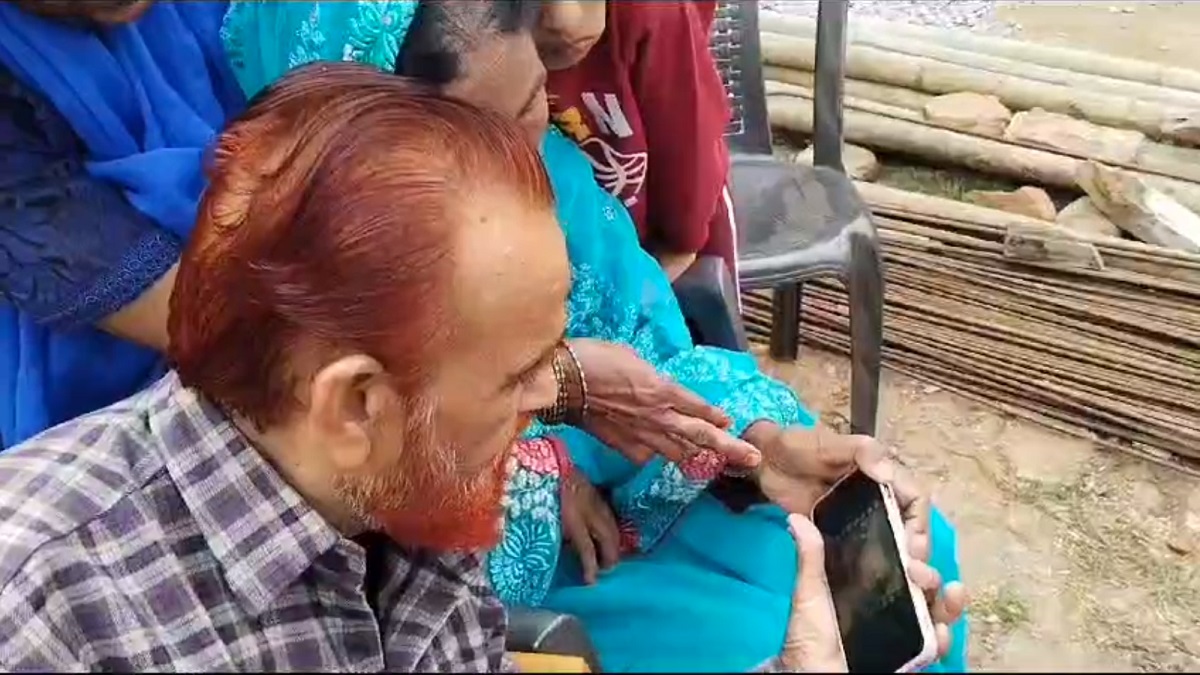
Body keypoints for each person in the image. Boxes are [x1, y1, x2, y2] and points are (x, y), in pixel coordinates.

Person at [0, 63, 860, 674]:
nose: (552, 402)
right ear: (354, 404)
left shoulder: (406, 498)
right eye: (522, 374)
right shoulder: (45, 614)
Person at [220, 2, 970, 673]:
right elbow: (415, 553)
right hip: (525, 575)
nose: (536, 143)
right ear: (364, 144)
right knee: (771, 630)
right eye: (492, 129)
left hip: (646, 490)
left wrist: (762, 449)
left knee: (900, 556)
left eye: (535, 100)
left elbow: (651, 360)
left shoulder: (558, 188)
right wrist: (548, 462)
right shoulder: (302, 311)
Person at [0, 0, 757, 473]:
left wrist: (767, 441)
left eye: (534, 104)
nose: (523, 157)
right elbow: (237, 332)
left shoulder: (541, 184)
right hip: (206, 407)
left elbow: (671, 373)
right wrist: (536, 396)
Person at [533, 1, 737, 281]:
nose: (561, 18)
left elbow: (690, 153)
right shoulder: (475, 31)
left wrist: (677, 252)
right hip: (564, 253)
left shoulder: (657, 12)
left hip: (677, 240)